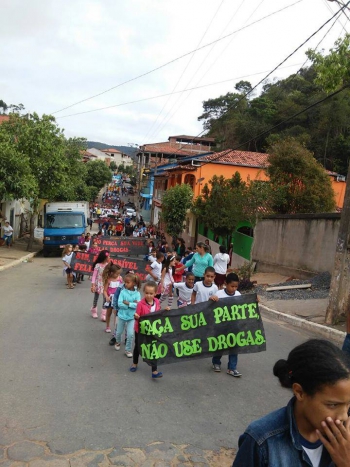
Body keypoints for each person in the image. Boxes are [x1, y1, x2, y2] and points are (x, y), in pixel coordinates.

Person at [232, 339, 350, 467]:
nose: (344, 416)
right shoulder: (262, 441)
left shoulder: (346, 440)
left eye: (349, 404)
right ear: (299, 392)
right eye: (332, 405)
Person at [130, 281, 165, 378]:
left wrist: (165, 311)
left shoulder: (157, 302)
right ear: (144, 292)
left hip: (152, 330)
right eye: (146, 293)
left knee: (154, 348)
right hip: (140, 330)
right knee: (138, 346)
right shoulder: (140, 304)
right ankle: (135, 363)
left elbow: (158, 313)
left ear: (155, 293)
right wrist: (136, 316)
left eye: (151, 293)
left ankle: (154, 371)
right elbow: (137, 316)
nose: (148, 295)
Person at [211, 273, 242, 376]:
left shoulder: (238, 295)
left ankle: (232, 368)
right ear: (225, 284)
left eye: (236, 286)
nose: (234, 289)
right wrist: (211, 299)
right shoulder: (219, 294)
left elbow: (244, 307)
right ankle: (216, 362)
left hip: (234, 326)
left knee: (234, 346)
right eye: (232, 286)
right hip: (221, 326)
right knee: (220, 344)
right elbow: (209, 307)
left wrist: (254, 301)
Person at [115, 273, 141, 357]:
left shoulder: (137, 294)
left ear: (133, 283)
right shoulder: (122, 292)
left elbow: (138, 305)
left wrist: (128, 303)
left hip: (131, 317)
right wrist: (132, 304)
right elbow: (120, 304)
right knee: (118, 332)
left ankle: (128, 350)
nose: (125, 284)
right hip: (122, 316)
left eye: (128, 282)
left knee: (130, 334)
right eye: (125, 282)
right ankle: (118, 342)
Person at [102, 264, 123, 333]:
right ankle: (107, 326)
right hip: (110, 298)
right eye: (117, 273)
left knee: (116, 313)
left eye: (119, 273)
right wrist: (107, 297)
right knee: (109, 313)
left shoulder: (120, 279)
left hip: (118, 298)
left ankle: (116, 327)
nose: (118, 275)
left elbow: (122, 288)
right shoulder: (108, 280)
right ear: (111, 272)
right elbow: (104, 290)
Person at [90, 250, 110, 319]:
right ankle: (94, 310)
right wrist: (93, 285)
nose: (109, 257)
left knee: (105, 298)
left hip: (105, 284)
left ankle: (103, 314)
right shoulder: (98, 265)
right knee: (96, 297)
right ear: (104, 257)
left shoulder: (108, 265)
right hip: (97, 283)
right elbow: (94, 276)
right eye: (108, 256)